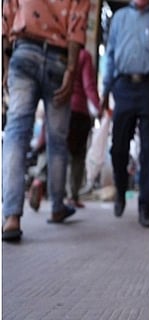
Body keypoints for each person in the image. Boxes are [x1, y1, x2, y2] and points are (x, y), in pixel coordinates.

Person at [2, 0, 91, 241]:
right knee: (57, 141)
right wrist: (71, 70)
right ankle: (57, 207)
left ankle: (11, 216)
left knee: (16, 133)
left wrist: (5, 64)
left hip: (23, 51)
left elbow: (7, 13)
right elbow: (77, 25)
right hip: (59, 58)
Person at [102, 0, 149, 228]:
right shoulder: (119, 18)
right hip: (123, 87)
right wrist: (105, 89)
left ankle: (146, 207)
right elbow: (110, 55)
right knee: (118, 148)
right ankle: (121, 188)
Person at [67, 48, 102, 208]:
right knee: (77, 155)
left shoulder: (61, 49)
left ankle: (42, 181)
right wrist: (98, 107)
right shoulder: (84, 55)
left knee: (58, 152)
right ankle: (72, 196)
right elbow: (88, 84)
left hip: (60, 109)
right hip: (79, 111)